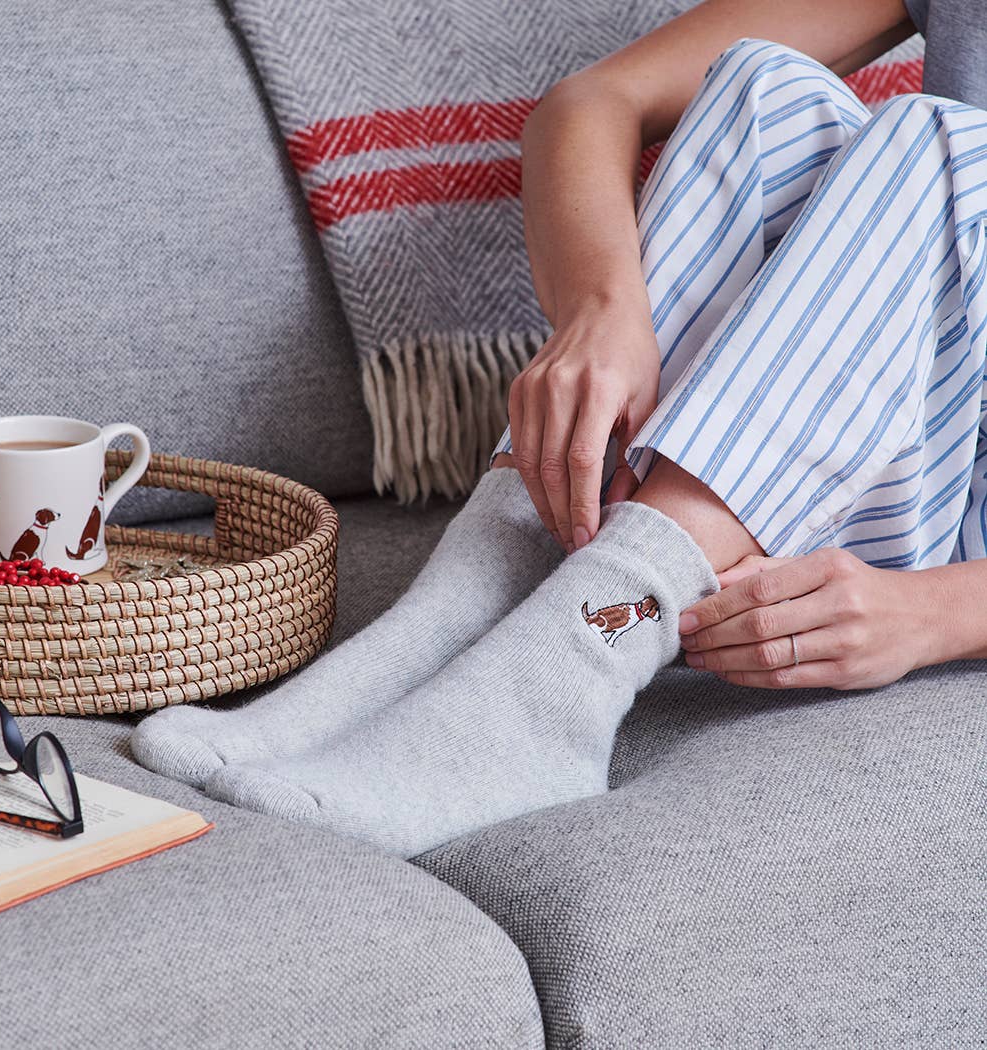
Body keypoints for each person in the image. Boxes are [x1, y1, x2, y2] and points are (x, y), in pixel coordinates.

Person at [133, 0, 987, 858]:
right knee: (761, 90)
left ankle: (568, 672)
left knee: (935, 142)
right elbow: (592, 101)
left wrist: (935, 614)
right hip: (894, 424)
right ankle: (449, 617)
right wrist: (600, 311)